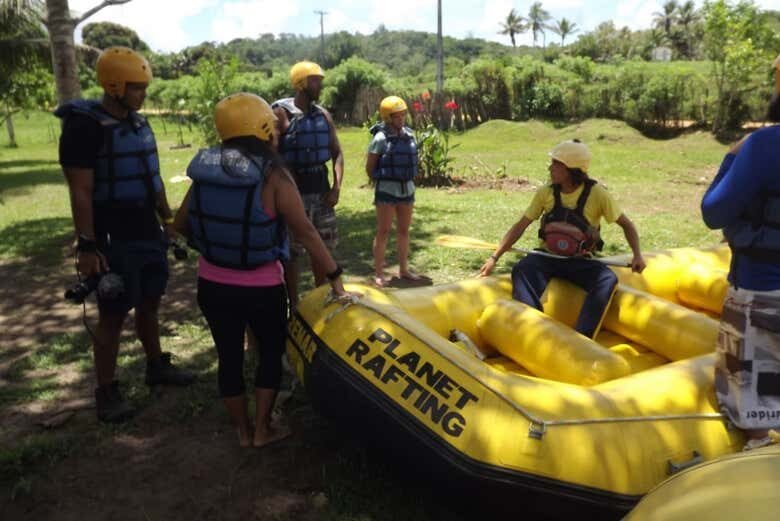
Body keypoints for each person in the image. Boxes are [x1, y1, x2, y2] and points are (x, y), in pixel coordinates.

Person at [174, 93, 351, 448]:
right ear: (263, 129)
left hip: (212, 284)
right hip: (261, 289)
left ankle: (241, 431)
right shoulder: (275, 177)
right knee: (270, 353)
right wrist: (334, 278)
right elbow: (305, 231)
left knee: (228, 357)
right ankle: (262, 428)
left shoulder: (205, 172)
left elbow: (181, 223)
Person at [55, 47, 194, 424]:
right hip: (111, 233)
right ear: (114, 85)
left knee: (150, 301)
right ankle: (106, 390)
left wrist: (167, 219)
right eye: (136, 88)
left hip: (146, 228)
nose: (143, 95)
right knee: (113, 314)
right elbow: (80, 191)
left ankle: (155, 365)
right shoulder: (84, 127)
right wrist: (87, 243)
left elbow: (152, 178)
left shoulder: (138, 123)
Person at [479, 139, 646, 339]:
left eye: (556, 164)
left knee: (607, 279)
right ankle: (534, 327)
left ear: (571, 169)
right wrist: (494, 258)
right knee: (523, 269)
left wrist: (637, 255)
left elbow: (627, 225)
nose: (550, 168)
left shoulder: (598, 194)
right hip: (548, 257)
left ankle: (582, 337)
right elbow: (520, 226)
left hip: (580, 261)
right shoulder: (546, 192)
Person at [701, 54, 780, 450]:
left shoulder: (764, 145)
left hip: (762, 294)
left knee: (755, 416)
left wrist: (732, 157)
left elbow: (713, 211)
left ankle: (758, 451)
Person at [272, 61, 344, 306]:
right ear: (300, 83)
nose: (319, 85)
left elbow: (337, 152)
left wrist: (336, 188)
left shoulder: (323, 115)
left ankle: (320, 298)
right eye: (315, 81)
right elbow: (272, 154)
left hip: (321, 192)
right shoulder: (281, 113)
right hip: (293, 194)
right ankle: (292, 304)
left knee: (322, 249)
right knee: (291, 254)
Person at [365, 96, 426, 287]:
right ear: (387, 117)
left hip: (407, 189)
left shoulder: (410, 135)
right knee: (383, 231)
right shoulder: (380, 138)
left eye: (403, 115)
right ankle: (379, 273)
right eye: (396, 116)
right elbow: (370, 167)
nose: (401, 119)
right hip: (387, 191)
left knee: (403, 231)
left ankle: (404, 269)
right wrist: (384, 179)